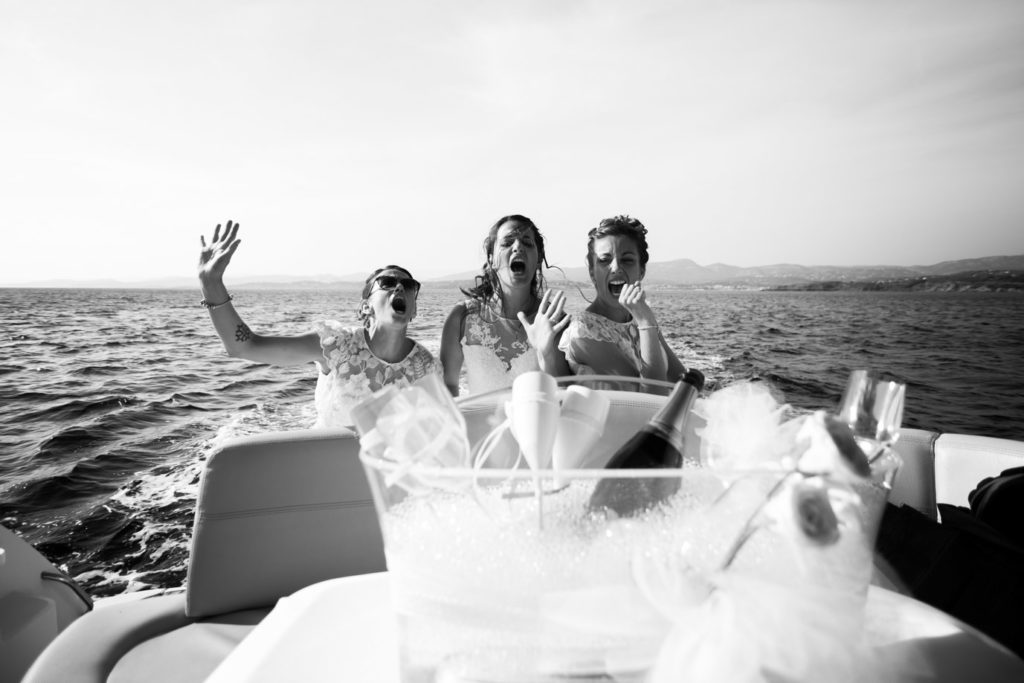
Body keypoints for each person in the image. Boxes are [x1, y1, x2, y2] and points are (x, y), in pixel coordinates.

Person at [198, 219, 439, 428]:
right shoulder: (337, 345)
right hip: (325, 467)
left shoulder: (426, 367)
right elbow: (243, 347)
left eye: (409, 286)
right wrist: (211, 283)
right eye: (386, 282)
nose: (398, 287)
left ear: (414, 309)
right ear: (365, 306)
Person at [440, 215, 570, 396]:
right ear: (492, 259)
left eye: (527, 243)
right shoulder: (461, 317)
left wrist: (546, 353)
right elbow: (447, 388)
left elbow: (564, 396)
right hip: (479, 423)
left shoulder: (553, 319)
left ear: (539, 258)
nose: (517, 247)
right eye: (507, 243)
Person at [559, 215, 695, 387]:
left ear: (642, 271)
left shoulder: (640, 317)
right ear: (592, 272)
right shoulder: (584, 332)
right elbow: (649, 398)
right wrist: (646, 322)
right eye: (604, 260)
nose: (616, 268)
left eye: (627, 260)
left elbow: (682, 382)